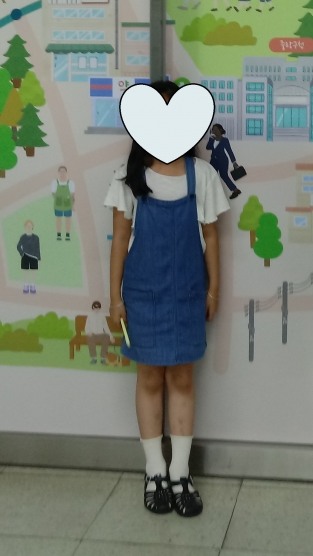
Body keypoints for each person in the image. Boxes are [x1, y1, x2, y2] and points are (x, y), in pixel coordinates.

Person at [105, 80, 229, 519]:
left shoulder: (203, 176)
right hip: (142, 296)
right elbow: (120, 240)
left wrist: (214, 289)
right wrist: (114, 298)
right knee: (149, 379)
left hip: (188, 294)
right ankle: (154, 470)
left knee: (182, 379)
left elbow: (212, 238)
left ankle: (180, 473)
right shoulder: (129, 177)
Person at [206, 123, 242, 200]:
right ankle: (211, 193)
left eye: (216, 129)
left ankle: (235, 190)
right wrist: (211, 139)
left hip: (222, 160)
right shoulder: (212, 139)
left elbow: (229, 151)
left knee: (224, 175)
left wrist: (234, 162)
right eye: (213, 130)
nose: (214, 131)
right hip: (213, 161)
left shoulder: (225, 140)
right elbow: (208, 147)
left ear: (220, 130)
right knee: (211, 176)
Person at [84, 300, 113, 365]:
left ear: (99, 308)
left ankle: (103, 358)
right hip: (93, 335)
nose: (96, 309)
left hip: (100, 335)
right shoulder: (90, 316)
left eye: (98, 307)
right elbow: (87, 327)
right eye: (95, 307)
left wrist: (111, 337)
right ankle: (93, 358)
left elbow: (106, 327)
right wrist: (89, 332)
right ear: (93, 307)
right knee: (90, 338)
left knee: (106, 336)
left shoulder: (102, 316)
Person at [16, 220, 41, 294]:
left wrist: (39, 259)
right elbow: (18, 246)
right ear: (25, 227)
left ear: (32, 227)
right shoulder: (23, 237)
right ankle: (26, 285)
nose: (29, 227)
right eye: (27, 226)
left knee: (33, 272)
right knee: (26, 272)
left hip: (34, 257)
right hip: (25, 257)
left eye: (30, 226)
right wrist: (22, 254)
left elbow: (37, 248)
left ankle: (32, 286)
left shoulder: (36, 237)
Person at [52, 165, 75, 240]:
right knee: (58, 219)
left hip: (67, 203)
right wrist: (59, 198)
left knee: (68, 219)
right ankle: (59, 234)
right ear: (58, 172)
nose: (62, 173)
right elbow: (53, 193)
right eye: (61, 171)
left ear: (66, 172)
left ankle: (67, 235)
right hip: (58, 204)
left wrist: (72, 204)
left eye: (64, 171)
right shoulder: (55, 182)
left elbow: (72, 194)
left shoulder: (70, 183)